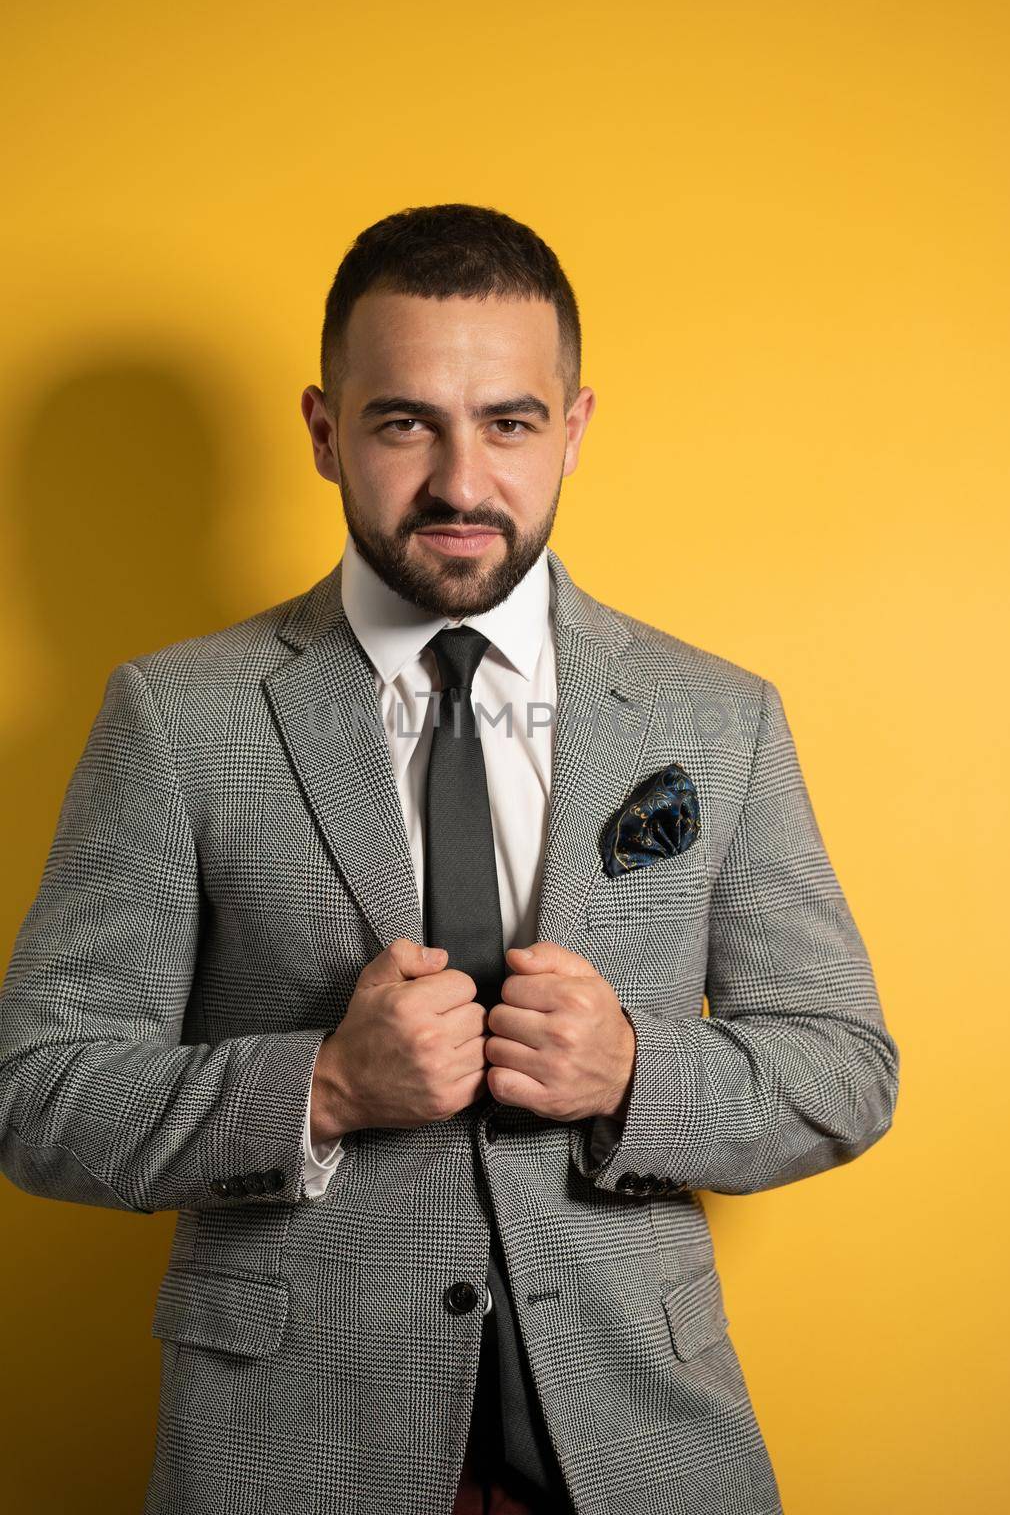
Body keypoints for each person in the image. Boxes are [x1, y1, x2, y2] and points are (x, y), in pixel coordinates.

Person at [0, 202, 900, 1515]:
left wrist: (638, 1073)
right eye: (405, 421)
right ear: (325, 431)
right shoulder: (176, 717)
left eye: (510, 423)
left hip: (640, 1451)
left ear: (575, 428)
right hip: (291, 1458)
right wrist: (321, 1088)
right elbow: (40, 1096)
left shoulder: (719, 715)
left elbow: (845, 1068)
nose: (462, 483)